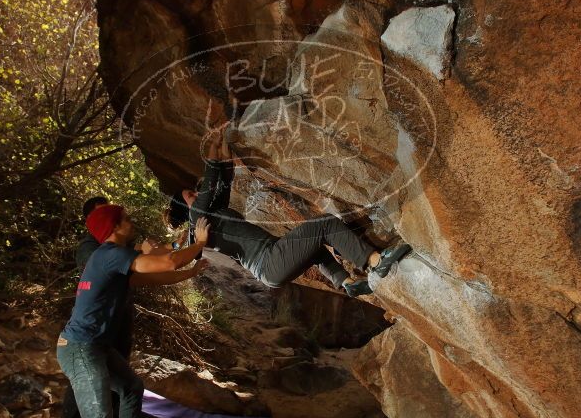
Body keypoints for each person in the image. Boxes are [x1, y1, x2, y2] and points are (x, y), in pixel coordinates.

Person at [37, 205, 211, 418]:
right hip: (80, 349)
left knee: (131, 387)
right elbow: (168, 261)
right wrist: (200, 243)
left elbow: (156, 275)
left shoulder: (112, 260)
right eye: (127, 219)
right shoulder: (109, 254)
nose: (132, 223)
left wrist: (192, 270)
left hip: (96, 347)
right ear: (116, 227)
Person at [166, 123, 411, 297]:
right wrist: (211, 146)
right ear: (184, 206)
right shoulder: (196, 217)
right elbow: (210, 180)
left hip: (271, 262)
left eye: (194, 193)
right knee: (323, 224)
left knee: (314, 249)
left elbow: (224, 176)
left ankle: (347, 283)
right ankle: (375, 261)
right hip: (268, 262)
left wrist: (222, 141)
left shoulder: (212, 212)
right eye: (190, 195)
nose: (195, 194)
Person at [57, 197, 186, 418]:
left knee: (125, 383)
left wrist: (171, 246)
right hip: (92, 326)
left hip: (115, 319)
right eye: (103, 214)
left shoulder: (117, 247)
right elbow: (123, 264)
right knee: (86, 380)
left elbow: (139, 258)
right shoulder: (91, 248)